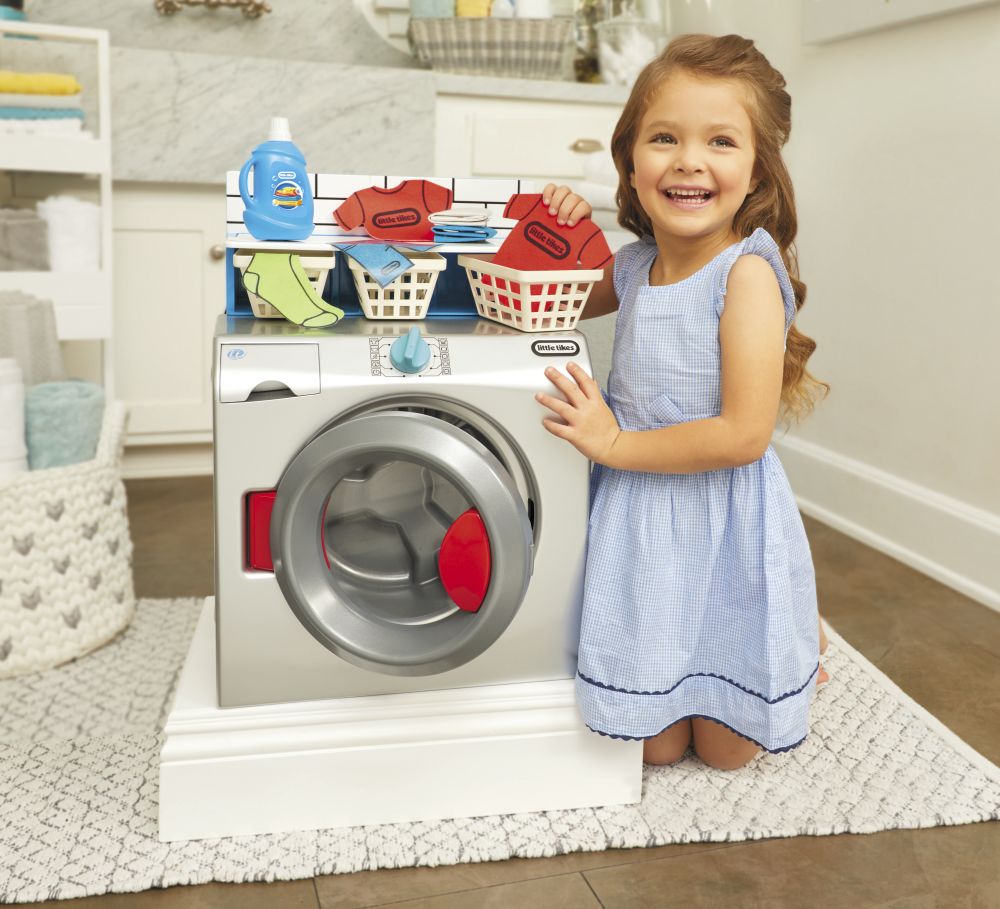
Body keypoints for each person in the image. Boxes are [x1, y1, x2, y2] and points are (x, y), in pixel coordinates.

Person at [535, 33, 829, 771]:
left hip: (719, 516)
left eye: (720, 141)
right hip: (643, 516)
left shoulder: (745, 275)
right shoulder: (634, 265)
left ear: (756, 169)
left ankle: (798, 642)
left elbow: (743, 435)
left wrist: (613, 444)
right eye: (664, 138)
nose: (689, 160)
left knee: (728, 751)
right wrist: (563, 228)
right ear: (630, 162)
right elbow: (553, 296)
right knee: (656, 746)